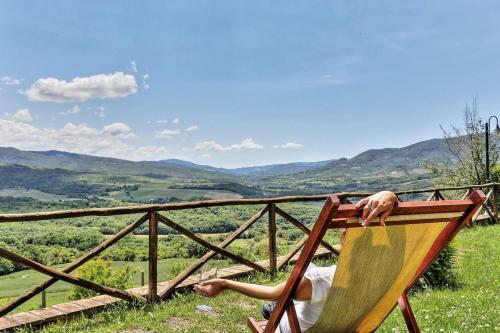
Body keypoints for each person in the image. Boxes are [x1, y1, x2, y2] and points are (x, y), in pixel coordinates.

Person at [194, 191, 399, 332]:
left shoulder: (323, 279)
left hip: (296, 327)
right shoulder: (394, 273)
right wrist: (391, 195)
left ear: (345, 239)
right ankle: (272, 308)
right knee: (307, 269)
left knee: (283, 295)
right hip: (345, 324)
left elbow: (273, 292)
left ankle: (272, 309)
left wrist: (224, 283)